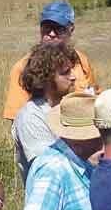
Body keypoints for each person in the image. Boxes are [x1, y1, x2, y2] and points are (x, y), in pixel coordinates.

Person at [1, 0, 97, 121]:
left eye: (58, 29)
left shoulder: (81, 60)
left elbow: (94, 95)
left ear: (71, 30)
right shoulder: (24, 67)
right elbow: (18, 119)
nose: (51, 34)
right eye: (46, 28)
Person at [11, 41, 83, 175]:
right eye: (65, 72)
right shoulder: (31, 117)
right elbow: (49, 168)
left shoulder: (68, 108)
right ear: (46, 79)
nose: (73, 76)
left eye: (72, 69)